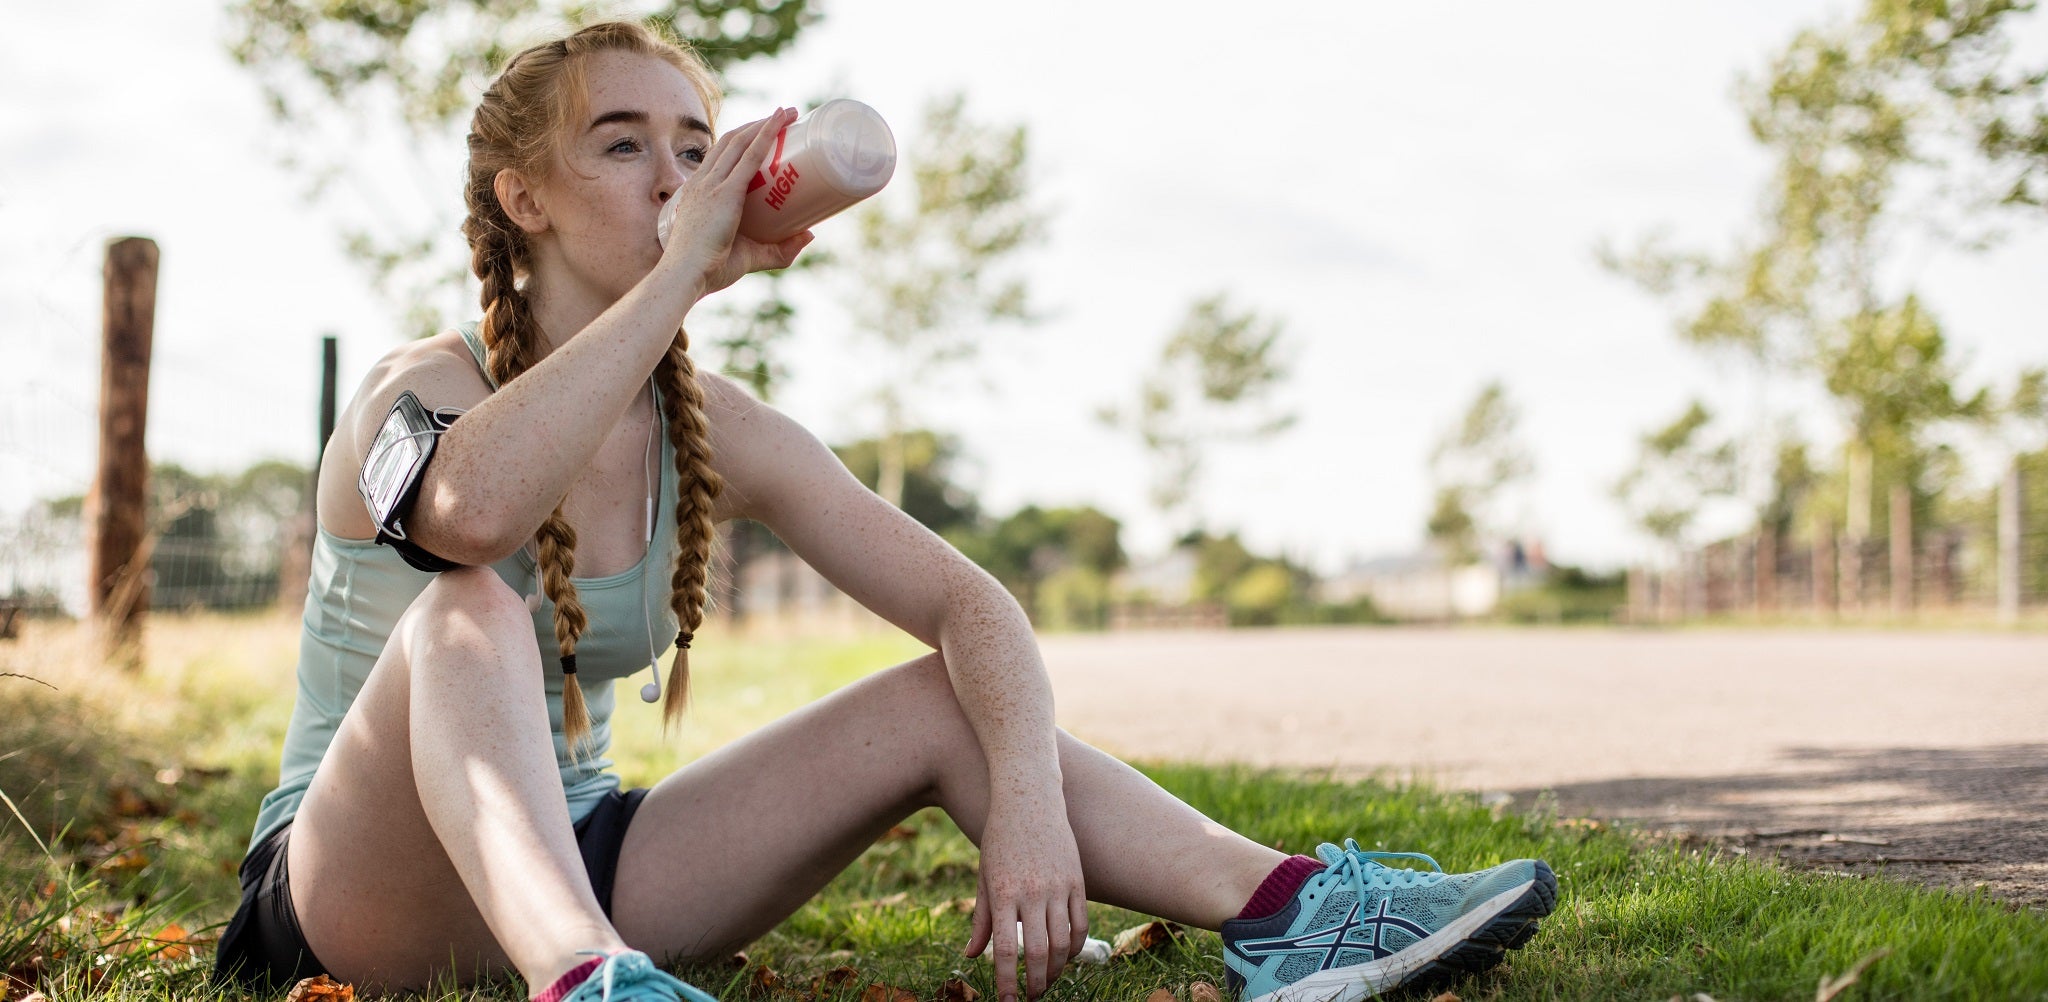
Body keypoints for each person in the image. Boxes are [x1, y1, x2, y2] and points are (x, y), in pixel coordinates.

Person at [211, 21, 1556, 1002]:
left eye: (696, 147)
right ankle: (592, 990)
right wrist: (681, 272)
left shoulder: (712, 424)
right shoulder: (413, 389)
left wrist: (1023, 796)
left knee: (938, 691)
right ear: (524, 200)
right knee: (464, 619)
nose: (675, 178)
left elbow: (973, 605)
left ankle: (1292, 908)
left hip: (590, 859)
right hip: (350, 896)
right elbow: (469, 515)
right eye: (622, 147)